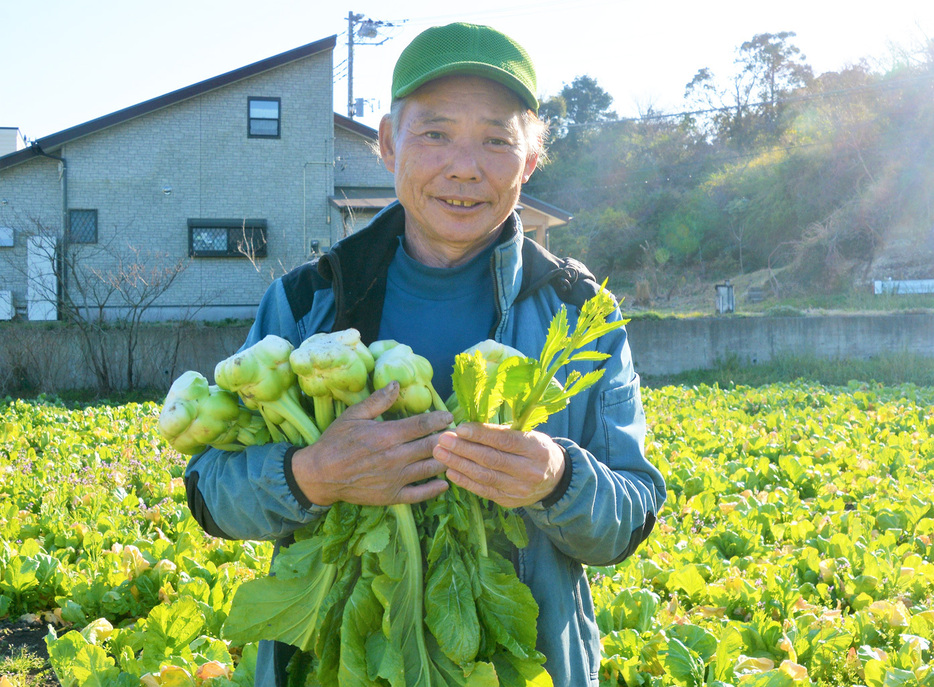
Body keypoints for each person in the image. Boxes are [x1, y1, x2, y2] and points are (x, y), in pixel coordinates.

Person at [185, 22, 666, 687]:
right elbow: (210, 490)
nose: (464, 167)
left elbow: (632, 510)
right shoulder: (304, 304)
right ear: (387, 144)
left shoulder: (582, 314)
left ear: (529, 161)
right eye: (435, 133)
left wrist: (558, 478)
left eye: (497, 140)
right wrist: (310, 474)